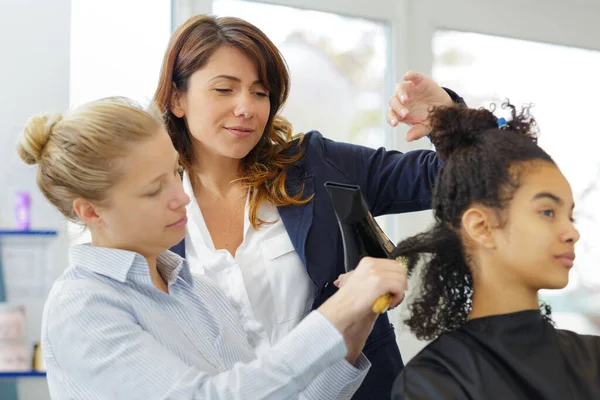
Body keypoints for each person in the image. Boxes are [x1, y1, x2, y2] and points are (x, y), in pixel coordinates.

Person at [154, 14, 465, 398]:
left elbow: (457, 176)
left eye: (260, 92)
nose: (246, 108)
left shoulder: (314, 166)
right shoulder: (147, 207)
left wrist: (449, 118)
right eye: (224, 89)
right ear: (176, 98)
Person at [17, 97, 410, 399]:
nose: (181, 197)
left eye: (175, 173)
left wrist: (356, 322)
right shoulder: (84, 308)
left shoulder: (197, 292)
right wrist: (334, 315)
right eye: (154, 190)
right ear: (90, 211)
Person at [387, 103, 600, 399]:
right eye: (548, 212)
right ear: (481, 227)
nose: (572, 233)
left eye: (571, 216)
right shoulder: (435, 381)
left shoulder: (593, 358)